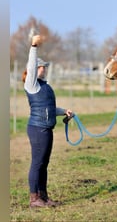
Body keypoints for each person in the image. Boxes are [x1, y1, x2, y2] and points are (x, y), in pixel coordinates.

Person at [22, 35, 73, 208]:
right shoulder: (32, 85)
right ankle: (34, 198)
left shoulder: (45, 86)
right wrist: (34, 46)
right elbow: (31, 64)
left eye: (44, 67)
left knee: (44, 164)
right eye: (42, 67)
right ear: (36, 69)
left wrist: (63, 111)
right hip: (37, 129)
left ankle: (43, 196)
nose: (44, 69)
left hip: (47, 129)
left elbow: (49, 108)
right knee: (37, 163)